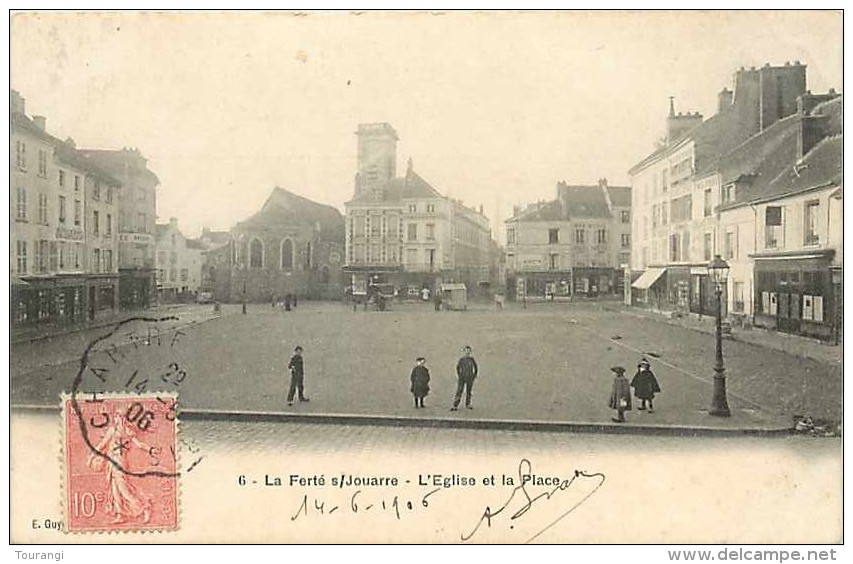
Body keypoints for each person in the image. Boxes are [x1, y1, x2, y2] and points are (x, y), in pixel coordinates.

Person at [86, 409, 153, 524]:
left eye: (118, 417)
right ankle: (120, 514)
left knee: (123, 488)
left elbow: (102, 445)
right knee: (114, 488)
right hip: (113, 461)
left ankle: (144, 507)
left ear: (121, 418)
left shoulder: (121, 430)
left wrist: (151, 450)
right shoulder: (124, 430)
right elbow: (103, 445)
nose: (116, 419)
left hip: (119, 462)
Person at [451, 345, 479, 411]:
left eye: (469, 351)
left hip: (470, 378)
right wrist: (459, 375)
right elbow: (458, 368)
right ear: (464, 351)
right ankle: (455, 405)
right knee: (459, 391)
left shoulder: (472, 359)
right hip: (462, 378)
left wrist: (474, 376)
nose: (467, 352)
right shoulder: (462, 360)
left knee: (469, 391)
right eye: (466, 350)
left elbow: (476, 368)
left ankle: (468, 404)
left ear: (470, 352)